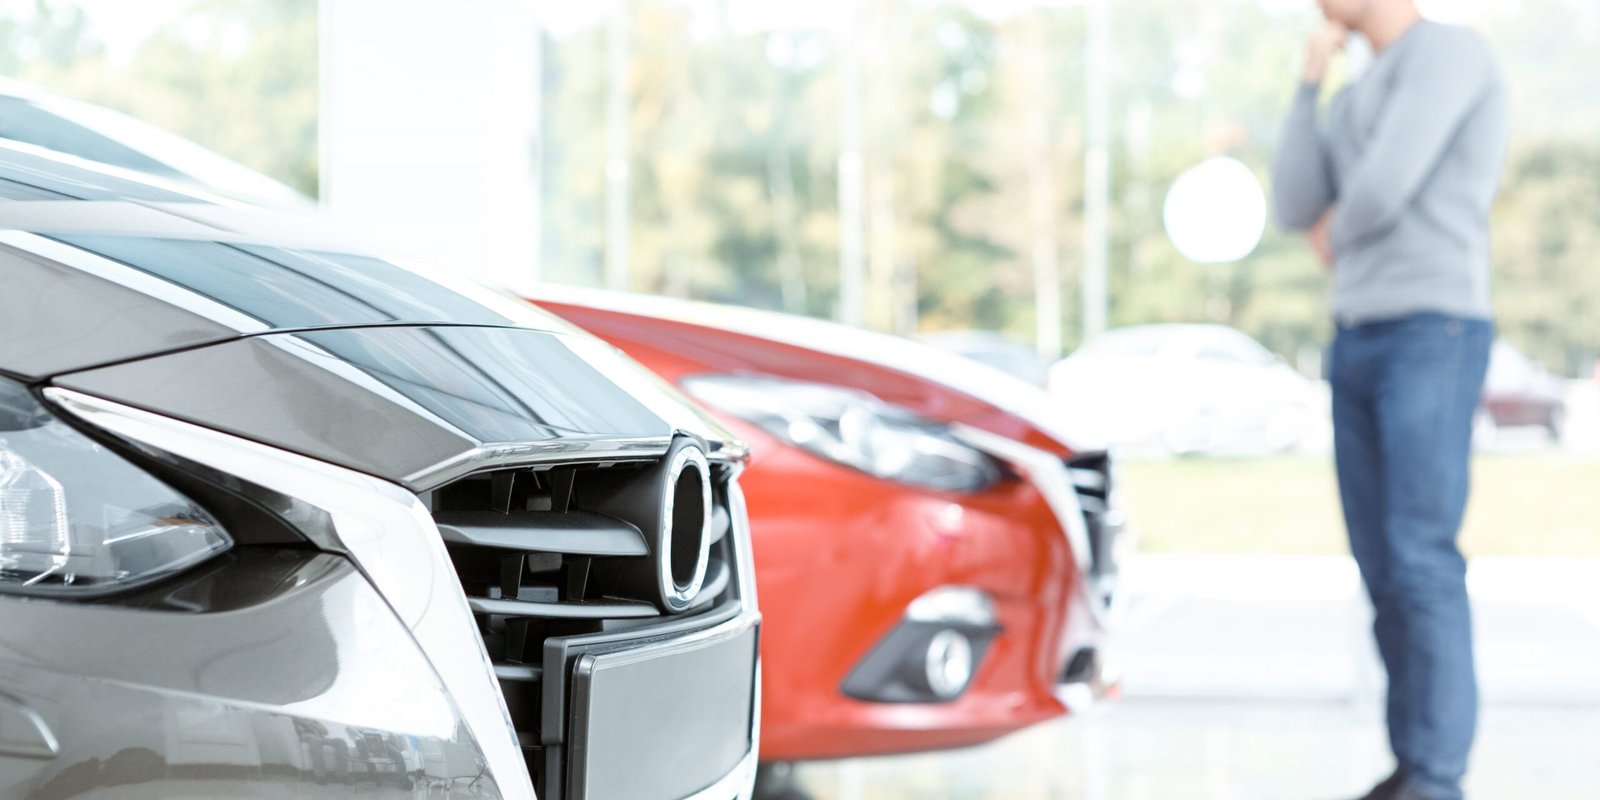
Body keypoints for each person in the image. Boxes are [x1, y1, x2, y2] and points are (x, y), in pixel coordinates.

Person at [1271, 2, 1509, 799]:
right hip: (1357, 333)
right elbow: (1293, 202)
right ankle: (1411, 763)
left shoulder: (1451, 54)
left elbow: (1380, 189)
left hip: (1433, 330)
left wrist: (1336, 232)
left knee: (1420, 556)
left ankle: (1437, 776)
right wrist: (1309, 85)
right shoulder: (1351, 94)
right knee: (1379, 564)